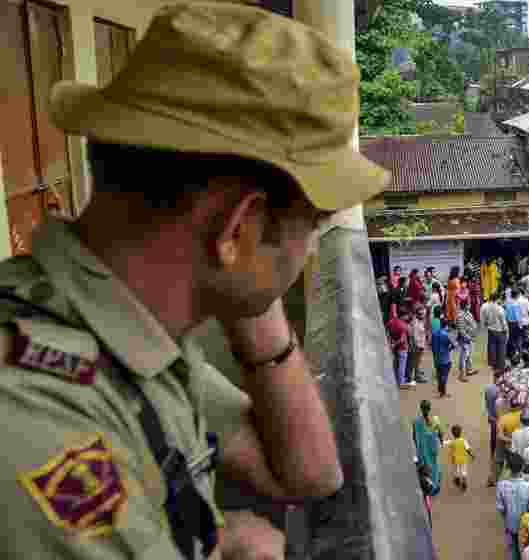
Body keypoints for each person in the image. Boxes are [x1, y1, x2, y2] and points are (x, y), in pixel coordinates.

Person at [0, 5, 371, 557]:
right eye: (311, 227)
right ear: (240, 226)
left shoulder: (131, 337)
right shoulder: (40, 422)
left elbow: (308, 475)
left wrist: (247, 281)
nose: (312, 249)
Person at [497, 453, 529, 560]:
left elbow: (500, 508)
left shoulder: (501, 485)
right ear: (523, 467)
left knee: (513, 548)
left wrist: (506, 518)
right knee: (526, 548)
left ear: (508, 468)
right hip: (525, 524)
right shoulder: (528, 486)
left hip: (510, 523)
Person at [413, 401, 445, 497]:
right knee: (434, 466)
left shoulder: (416, 422)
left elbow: (414, 437)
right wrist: (441, 441)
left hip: (422, 449)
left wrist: (418, 447)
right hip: (433, 448)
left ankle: (427, 486)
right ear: (429, 409)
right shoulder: (435, 420)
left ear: (421, 409)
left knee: (425, 467)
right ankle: (434, 486)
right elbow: (440, 433)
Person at [483, 292, 510, 374]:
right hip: (500, 330)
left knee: (492, 347)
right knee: (501, 348)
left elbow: (484, 319)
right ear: (497, 299)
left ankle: (493, 363)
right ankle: (500, 365)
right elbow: (503, 322)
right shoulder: (500, 309)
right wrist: (506, 330)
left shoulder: (485, 307)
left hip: (491, 329)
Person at [387, 307, 411, 389]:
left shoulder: (391, 322)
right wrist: (395, 344)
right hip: (402, 348)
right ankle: (401, 382)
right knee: (401, 366)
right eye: (406, 315)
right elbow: (402, 339)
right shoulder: (403, 325)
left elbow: (388, 332)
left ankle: (394, 381)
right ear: (403, 316)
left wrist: (392, 343)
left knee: (395, 364)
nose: (407, 317)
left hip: (394, 347)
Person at [445, 424, 475, 491]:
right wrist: (472, 455)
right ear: (461, 432)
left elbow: (445, 443)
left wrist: (441, 440)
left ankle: (457, 480)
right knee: (464, 471)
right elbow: (468, 449)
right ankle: (464, 482)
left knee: (457, 471)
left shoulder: (452, 442)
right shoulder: (464, 441)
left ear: (452, 434)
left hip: (456, 460)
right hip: (464, 459)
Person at [431, 318, 455, 398]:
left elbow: (430, 344)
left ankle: (440, 390)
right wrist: (449, 349)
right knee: (444, 376)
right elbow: (454, 345)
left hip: (436, 357)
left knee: (439, 375)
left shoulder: (434, 333)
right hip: (445, 358)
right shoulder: (446, 334)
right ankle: (443, 392)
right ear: (447, 325)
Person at [454, 305, 478, 382]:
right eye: (468, 304)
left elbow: (472, 323)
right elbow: (461, 330)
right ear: (465, 305)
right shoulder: (460, 315)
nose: (470, 305)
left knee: (469, 355)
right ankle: (462, 375)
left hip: (471, 338)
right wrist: (468, 338)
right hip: (465, 339)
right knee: (463, 357)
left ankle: (469, 370)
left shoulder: (468, 313)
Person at [408, 305, 429, 385]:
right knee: (415, 362)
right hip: (417, 346)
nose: (423, 315)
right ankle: (416, 376)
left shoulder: (419, 321)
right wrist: (419, 347)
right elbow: (415, 337)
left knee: (417, 362)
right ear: (418, 314)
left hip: (420, 345)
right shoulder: (415, 323)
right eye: (422, 314)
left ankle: (416, 374)